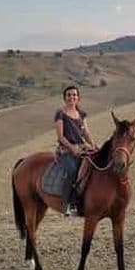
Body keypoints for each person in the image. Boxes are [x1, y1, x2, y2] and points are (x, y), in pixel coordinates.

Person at [54, 85, 95, 215]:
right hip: (65, 150)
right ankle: (68, 205)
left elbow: (86, 133)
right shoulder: (60, 114)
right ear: (65, 98)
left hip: (81, 148)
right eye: (69, 95)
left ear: (78, 97)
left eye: (74, 95)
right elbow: (60, 136)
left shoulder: (82, 115)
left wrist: (93, 146)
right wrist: (72, 149)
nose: (72, 97)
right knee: (72, 172)